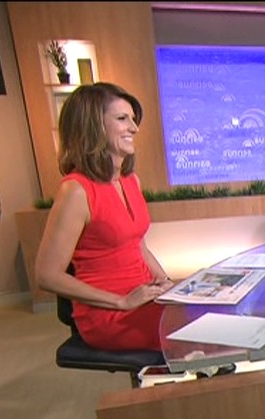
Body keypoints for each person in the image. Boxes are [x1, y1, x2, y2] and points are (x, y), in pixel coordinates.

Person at [35, 82, 173, 352]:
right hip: (110, 314)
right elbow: (47, 275)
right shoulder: (76, 190)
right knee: (197, 328)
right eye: (122, 119)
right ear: (93, 126)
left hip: (145, 296)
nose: (134, 128)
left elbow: (139, 247)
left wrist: (167, 283)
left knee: (210, 313)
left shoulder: (131, 181)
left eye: (133, 119)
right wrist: (121, 301)